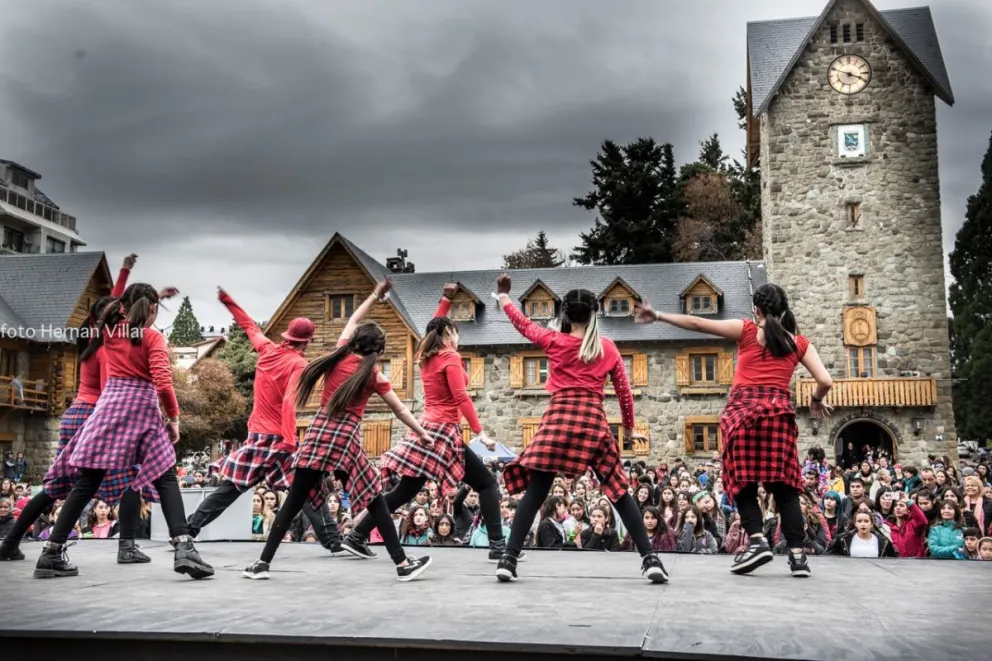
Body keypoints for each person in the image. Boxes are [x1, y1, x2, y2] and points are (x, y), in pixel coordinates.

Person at [635, 282, 833, 577]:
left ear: (757, 310)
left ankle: (756, 541)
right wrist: (816, 400)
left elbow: (698, 323)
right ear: (784, 309)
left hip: (742, 416)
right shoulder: (799, 343)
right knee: (787, 491)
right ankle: (798, 557)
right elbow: (826, 380)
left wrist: (658, 315)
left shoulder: (747, 331)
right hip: (778, 416)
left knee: (742, 484)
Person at [242, 279, 434, 581]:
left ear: (354, 341)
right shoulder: (373, 374)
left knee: (294, 499)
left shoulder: (340, 353)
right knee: (373, 498)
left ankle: (262, 563)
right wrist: (422, 433)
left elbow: (354, 319)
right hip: (345, 439)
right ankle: (401, 563)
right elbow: (400, 410)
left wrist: (373, 294)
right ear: (379, 350)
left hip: (319, 431)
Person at [492, 274, 668, 584]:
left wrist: (505, 296)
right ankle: (649, 558)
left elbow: (523, 324)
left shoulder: (554, 341)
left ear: (565, 315)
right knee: (618, 491)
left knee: (536, 492)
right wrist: (627, 430)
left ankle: (508, 558)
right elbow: (625, 394)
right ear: (594, 314)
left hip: (559, 418)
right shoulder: (608, 348)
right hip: (592, 421)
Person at [32, 283, 212, 580]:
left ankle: (51, 552)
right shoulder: (153, 337)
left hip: (109, 406)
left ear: (124, 307)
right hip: (142, 408)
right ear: (151, 309)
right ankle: (183, 547)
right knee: (166, 475)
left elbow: (111, 305)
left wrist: (150, 297)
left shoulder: (110, 332)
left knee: (88, 480)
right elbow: (164, 384)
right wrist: (174, 419)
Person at [0, 254, 171, 564]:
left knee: (58, 483)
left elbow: (116, 302)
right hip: (99, 413)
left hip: (75, 412)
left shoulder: (95, 336)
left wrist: (125, 271)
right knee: (134, 475)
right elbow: (112, 389)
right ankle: (126, 546)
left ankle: (11, 542)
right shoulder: (111, 344)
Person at [341, 283, 507, 562]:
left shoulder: (425, 356)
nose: (458, 336)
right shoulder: (449, 356)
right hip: (442, 432)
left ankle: (357, 536)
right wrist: (481, 434)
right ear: (447, 334)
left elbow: (432, 327)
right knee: (488, 484)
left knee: (404, 491)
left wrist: (445, 299)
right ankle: (499, 547)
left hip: (424, 430)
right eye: (455, 331)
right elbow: (462, 397)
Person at [184, 287, 342, 553]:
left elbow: (247, 324)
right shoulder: (297, 365)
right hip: (278, 438)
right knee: (303, 489)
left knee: (233, 487)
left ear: (288, 336)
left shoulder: (266, 349)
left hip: (257, 435)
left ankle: (189, 529)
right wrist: (291, 440)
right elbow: (289, 402)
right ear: (307, 341)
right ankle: (335, 542)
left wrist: (228, 300)